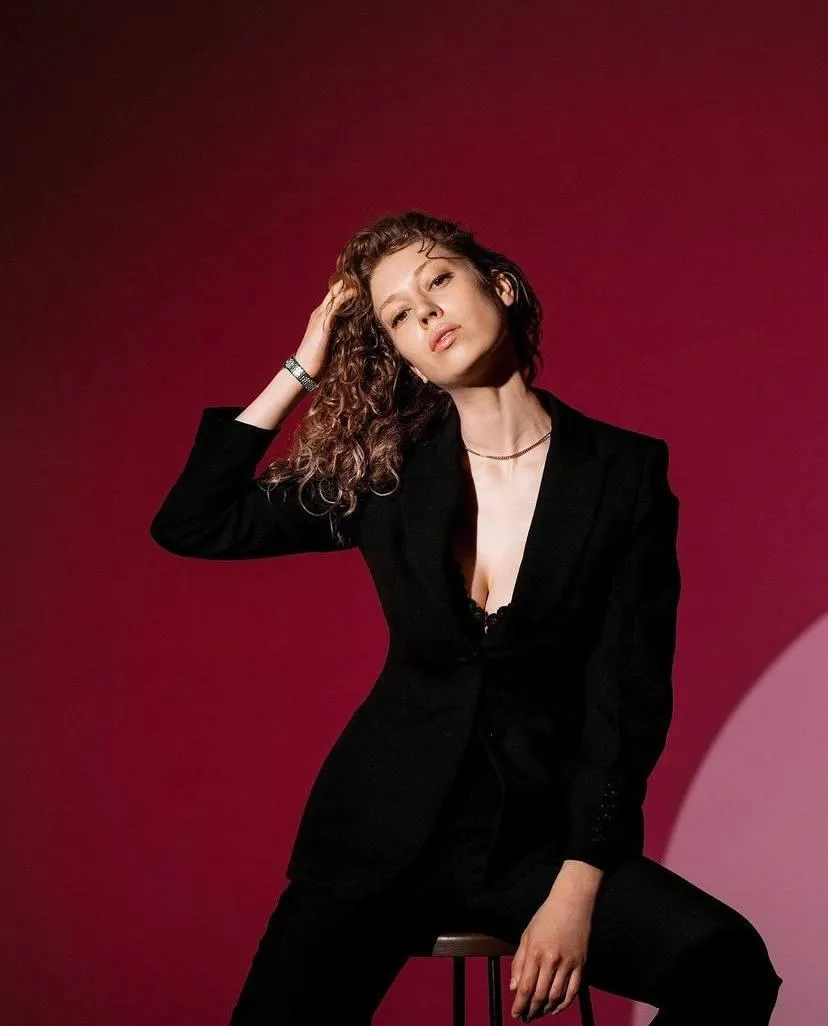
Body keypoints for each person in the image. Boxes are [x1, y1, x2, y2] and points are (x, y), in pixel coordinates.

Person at [149, 211, 783, 1024]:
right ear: (401, 352)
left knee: (727, 965)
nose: (428, 314)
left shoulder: (622, 473)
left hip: (533, 846)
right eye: (399, 316)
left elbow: (626, 696)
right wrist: (302, 368)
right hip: (377, 838)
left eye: (439, 281)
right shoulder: (384, 472)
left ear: (501, 285)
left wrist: (577, 884)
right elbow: (195, 523)